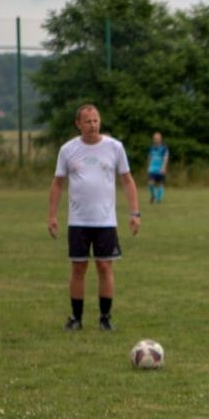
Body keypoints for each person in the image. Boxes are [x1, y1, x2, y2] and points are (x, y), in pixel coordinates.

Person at [46, 104, 140, 331]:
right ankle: (76, 318)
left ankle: (105, 318)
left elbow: (127, 180)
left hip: (105, 220)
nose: (93, 125)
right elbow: (58, 183)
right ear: (78, 124)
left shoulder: (114, 147)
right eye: (88, 121)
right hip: (78, 221)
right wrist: (52, 215)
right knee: (78, 268)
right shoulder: (68, 150)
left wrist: (135, 212)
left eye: (96, 120)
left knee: (105, 266)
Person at [146, 131, 169, 204]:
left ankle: (158, 199)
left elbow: (166, 158)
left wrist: (164, 168)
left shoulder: (164, 148)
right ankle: (153, 196)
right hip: (152, 169)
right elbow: (149, 157)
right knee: (150, 183)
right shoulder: (151, 148)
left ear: (160, 139)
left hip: (160, 169)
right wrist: (148, 166)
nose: (156, 140)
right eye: (155, 138)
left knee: (160, 184)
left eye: (157, 138)